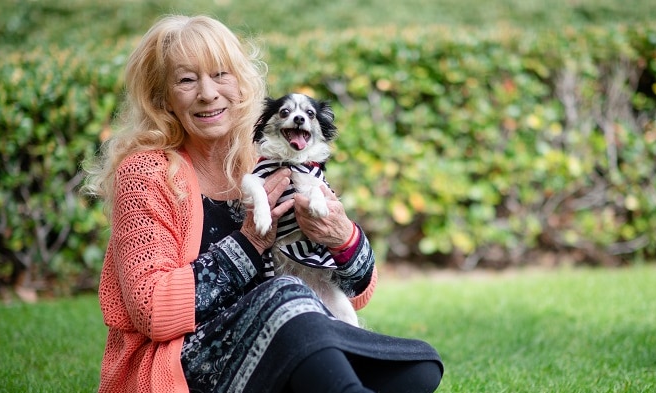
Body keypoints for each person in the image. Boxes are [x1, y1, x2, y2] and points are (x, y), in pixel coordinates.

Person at [83, 14, 443, 393]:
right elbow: (152, 308)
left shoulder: (266, 157)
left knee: (418, 363)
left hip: (287, 338)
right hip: (187, 365)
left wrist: (342, 238)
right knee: (288, 295)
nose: (208, 93)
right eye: (187, 80)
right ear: (163, 98)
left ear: (240, 83)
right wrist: (249, 243)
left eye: (221, 74)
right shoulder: (145, 174)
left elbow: (357, 291)